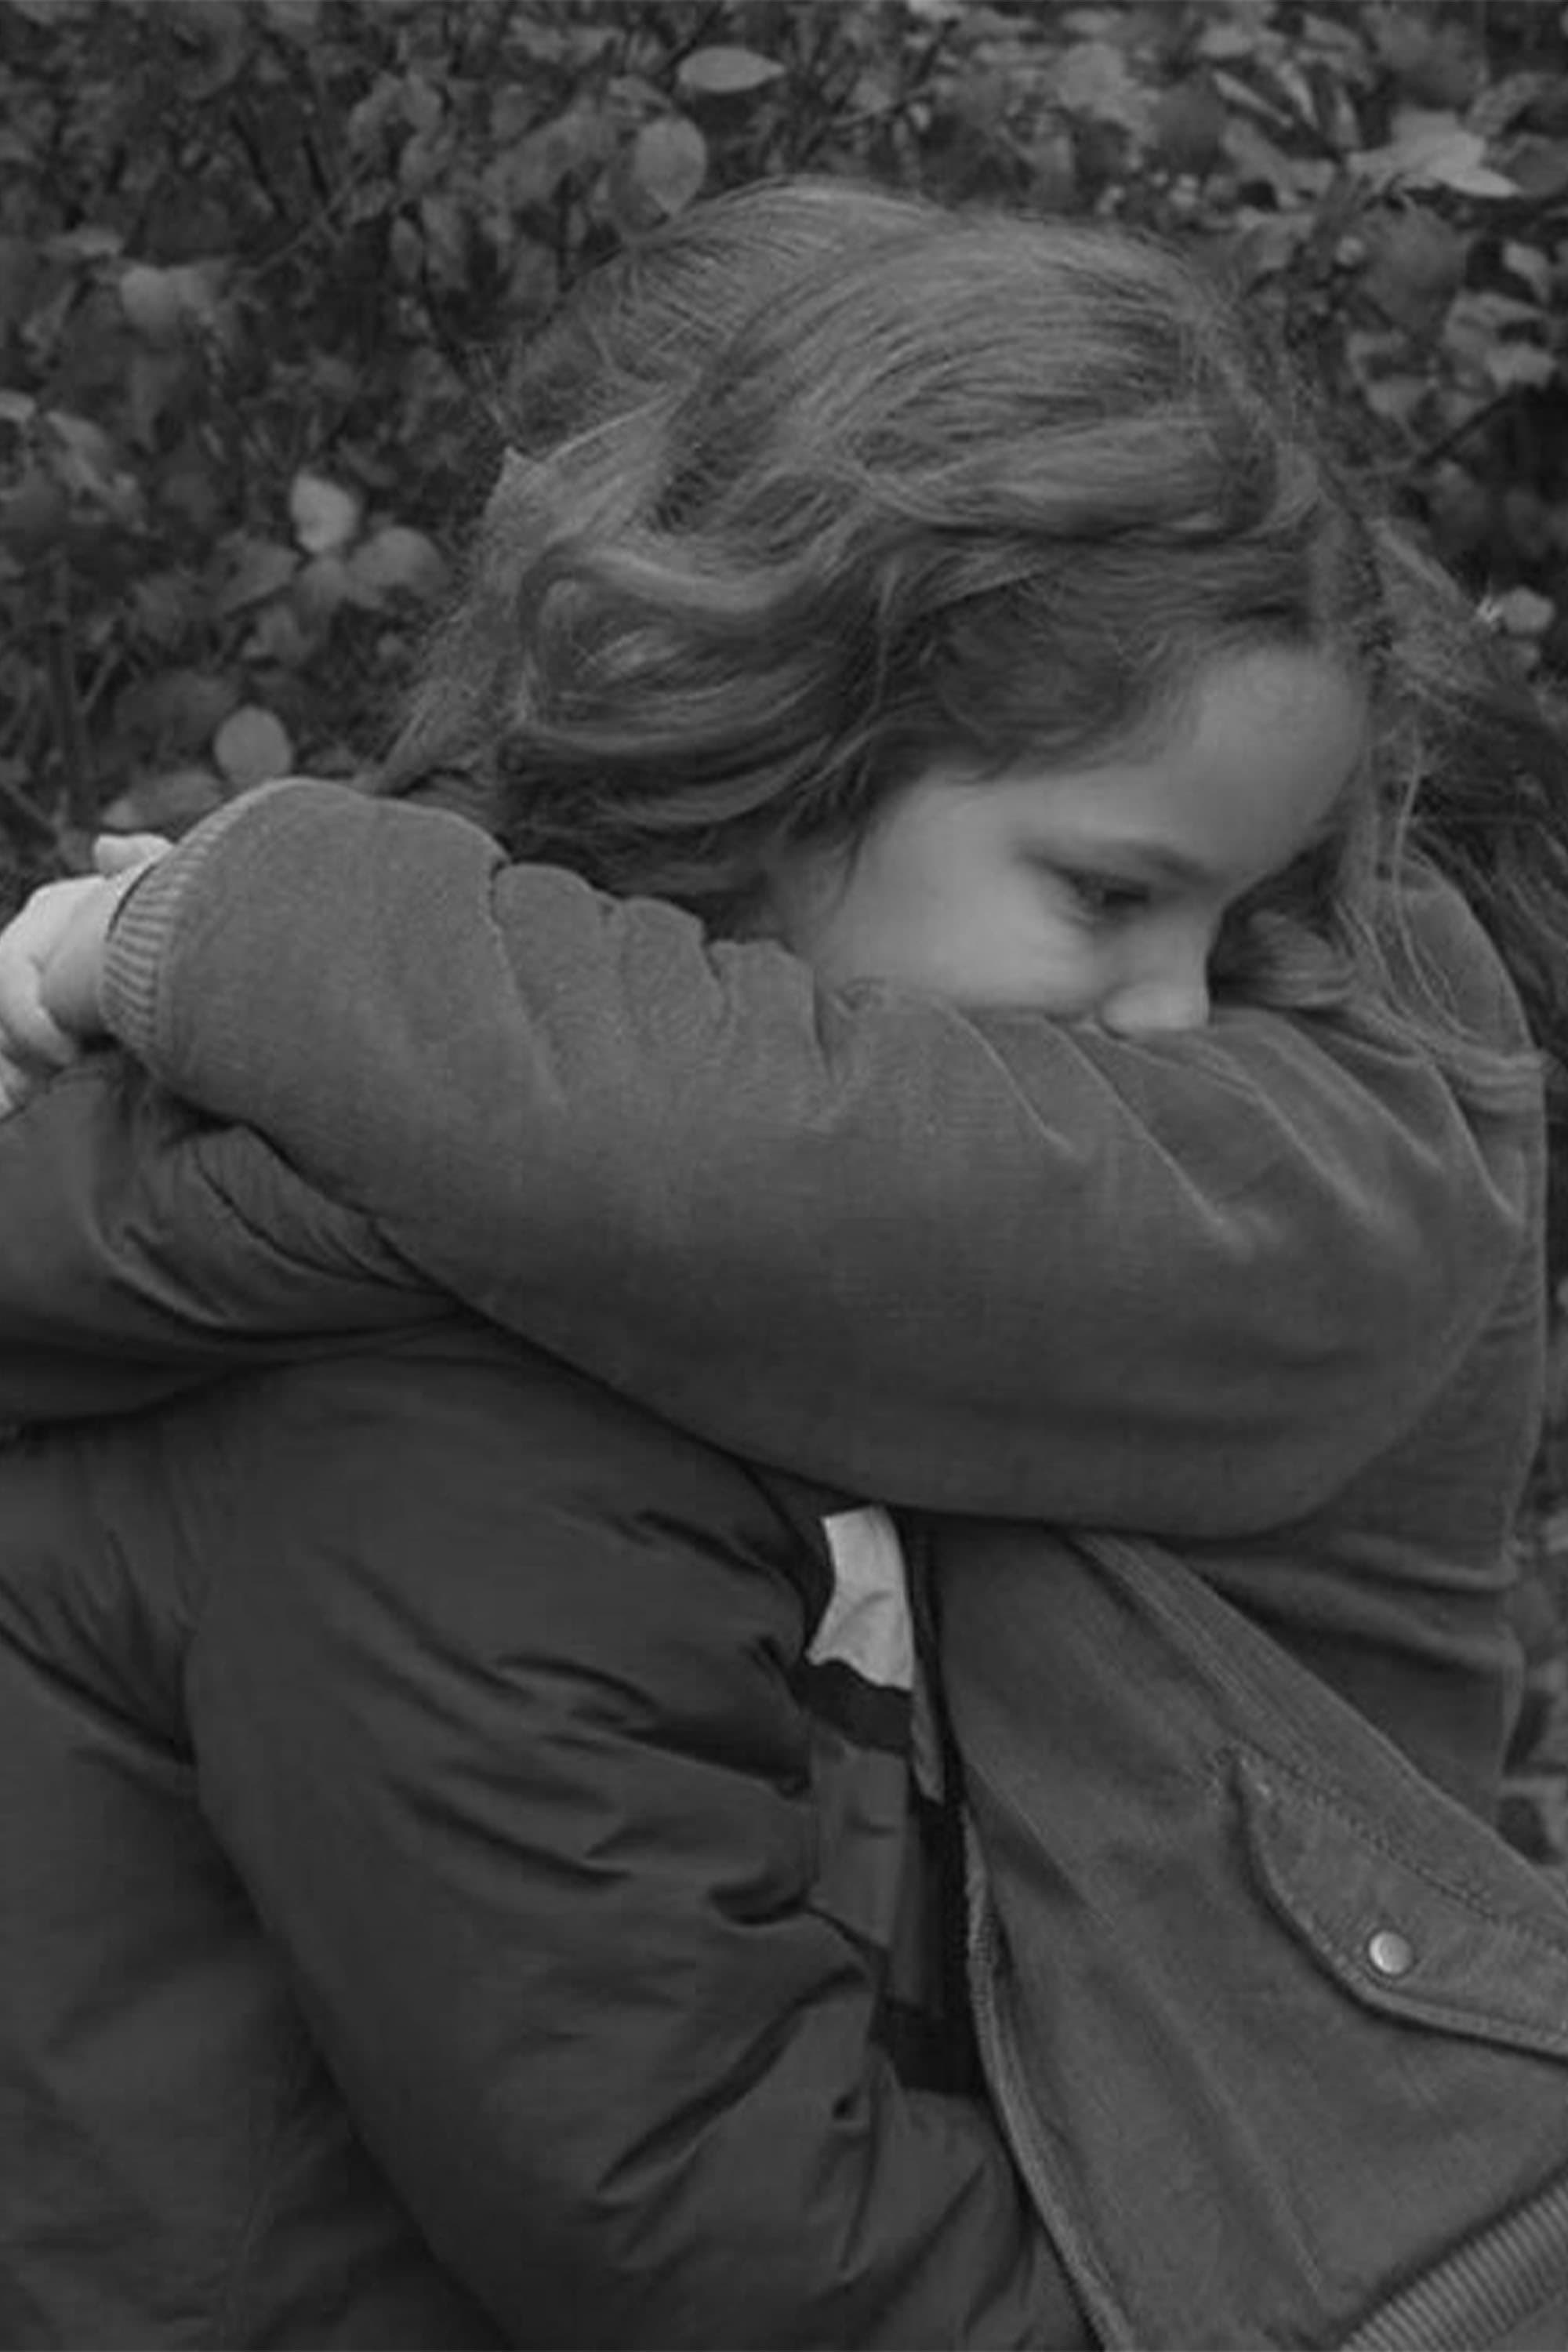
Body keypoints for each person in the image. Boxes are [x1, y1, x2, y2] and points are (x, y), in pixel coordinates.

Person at [5, 182, 1568, 2346]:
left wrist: (224, 928)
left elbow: (719, 1134)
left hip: (1279, 2195)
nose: (1184, 1008)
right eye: (1115, 899)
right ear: (767, 733)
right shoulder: (435, 1375)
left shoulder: (1347, 1103)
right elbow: (687, 2201)